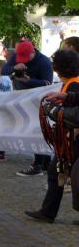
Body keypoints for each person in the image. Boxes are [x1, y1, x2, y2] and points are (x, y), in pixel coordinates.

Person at [24, 49, 79, 223]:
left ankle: (48, 212)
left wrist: (56, 112)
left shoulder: (73, 84)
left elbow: (74, 115)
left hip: (73, 138)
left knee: (58, 172)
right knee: (59, 173)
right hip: (71, 137)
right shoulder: (71, 84)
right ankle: (48, 212)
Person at [3, 40, 54, 177]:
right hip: (23, 100)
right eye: (21, 57)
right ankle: (45, 163)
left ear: (33, 51)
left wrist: (29, 81)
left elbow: (48, 84)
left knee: (37, 130)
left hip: (38, 101)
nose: (23, 60)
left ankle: (38, 165)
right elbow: (3, 70)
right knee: (33, 130)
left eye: (26, 57)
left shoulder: (44, 62)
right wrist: (14, 68)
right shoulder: (17, 56)